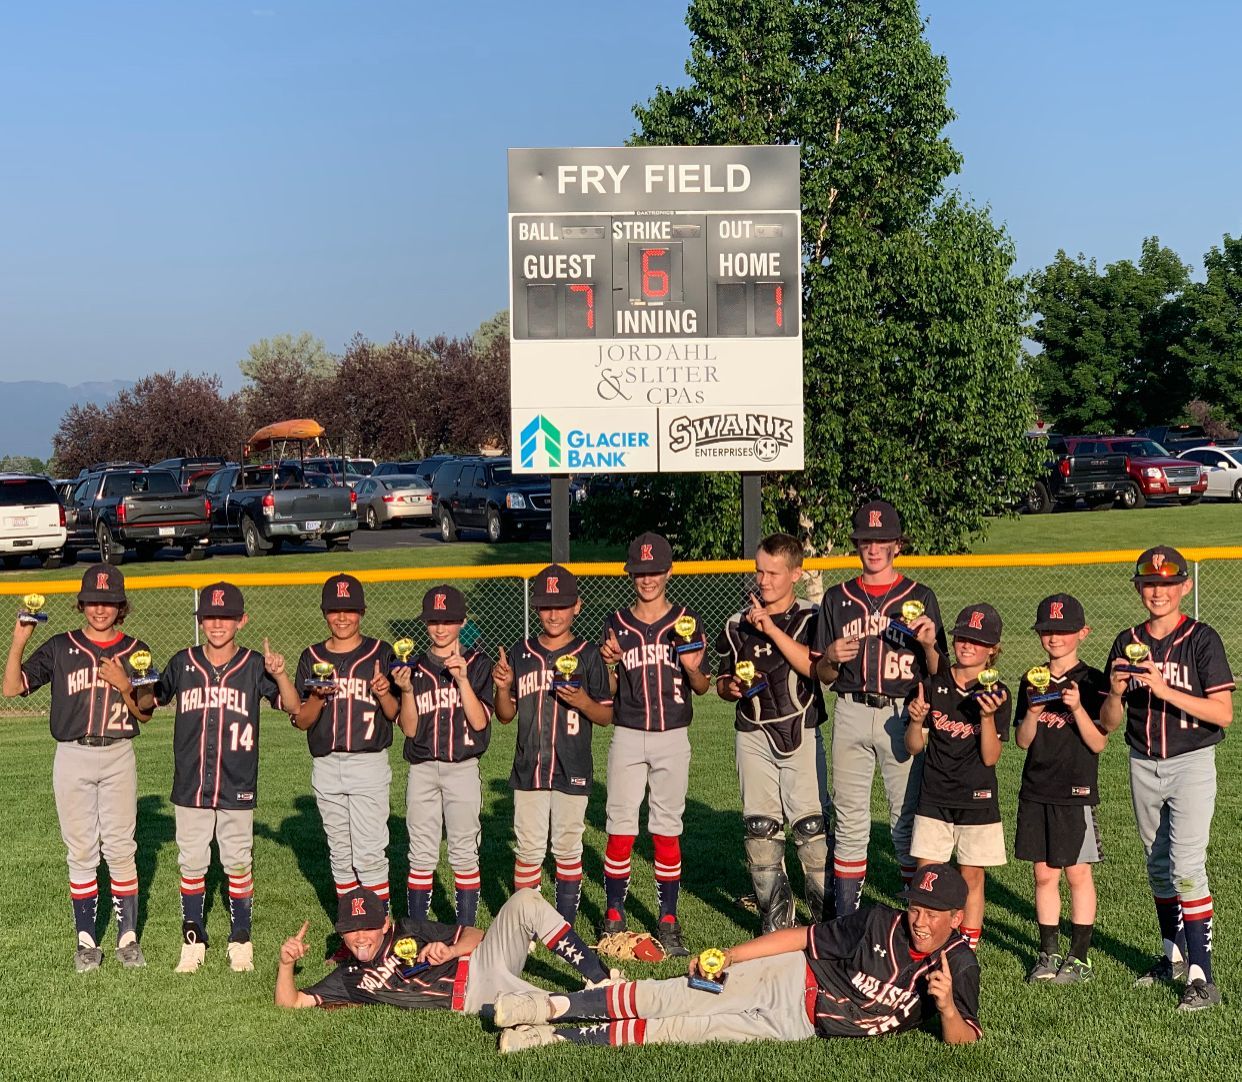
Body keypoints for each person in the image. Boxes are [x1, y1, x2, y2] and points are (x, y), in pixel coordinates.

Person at [492, 862, 980, 1051]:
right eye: (918, 905)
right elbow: (802, 939)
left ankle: (555, 1036)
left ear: (956, 918)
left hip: (799, 1027)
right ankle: (547, 1005)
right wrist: (731, 954)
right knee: (672, 996)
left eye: (935, 913)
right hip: (791, 980)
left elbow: (966, 1041)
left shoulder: (958, 965)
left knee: (684, 1032)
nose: (921, 919)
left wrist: (947, 1008)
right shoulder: (878, 921)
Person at [1100, 546, 1234, 1011]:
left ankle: (1203, 977)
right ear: (1139, 588)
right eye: (1149, 583)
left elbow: (1223, 713)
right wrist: (1116, 692)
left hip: (1192, 761)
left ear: (1184, 587)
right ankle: (1170, 955)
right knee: (1157, 867)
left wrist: (1163, 688)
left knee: (1186, 866)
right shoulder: (1125, 641)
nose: (1158, 591)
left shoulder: (1202, 639)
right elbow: (1109, 720)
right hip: (1142, 761)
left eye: (1167, 583)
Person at [3, 564, 153, 971]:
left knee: (121, 848)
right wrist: (19, 640)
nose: (100, 610)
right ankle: (87, 940)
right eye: (92, 602)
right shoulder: (60, 646)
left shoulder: (136, 648)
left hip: (119, 752)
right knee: (82, 850)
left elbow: (145, 713)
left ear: (120, 606)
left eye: (108, 602)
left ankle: (128, 939)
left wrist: (125, 684)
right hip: (72, 755)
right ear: (81, 603)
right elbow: (12, 687)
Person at [150, 581, 299, 973]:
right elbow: (152, 700)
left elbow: (294, 706)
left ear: (242, 620)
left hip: (236, 780)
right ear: (200, 620)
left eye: (226, 617)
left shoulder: (253, 665)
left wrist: (281, 674)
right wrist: (132, 679)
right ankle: (193, 937)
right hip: (191, 782)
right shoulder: (183, 662)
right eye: (211, 617)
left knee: (237, 860)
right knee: (193, 860)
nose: (218, 625)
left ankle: (241, 937)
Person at [813, 500, 944, 915]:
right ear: (856, 545)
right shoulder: (837, 598)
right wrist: (831, 656)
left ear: (897, 545)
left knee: (905, 820)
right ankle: (847, 919)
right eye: (866, 540)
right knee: (850, 821)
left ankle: (917, 914)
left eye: (882, 540)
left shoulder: (919, 596)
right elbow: (824, 675)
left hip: (902, 714)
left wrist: (927, 644)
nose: (873, 548)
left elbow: (939, 671)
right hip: (850, 710)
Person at [598, 532, 710, 956]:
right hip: (628, 732)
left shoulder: (686, 620)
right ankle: (613, 914)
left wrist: (692, 667)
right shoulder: (617, 622)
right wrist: (609, 665)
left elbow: (700, 685)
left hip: (673, 735)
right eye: (640, 572)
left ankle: (667, 917)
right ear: (632, 574)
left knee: (666, 826)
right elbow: (610, 688)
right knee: (620, 824)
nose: (647, 579)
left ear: (668, 571)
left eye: (655, 571)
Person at [715, 532, 832, 931]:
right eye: (759, 572)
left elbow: (815, 669)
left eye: (772, 573)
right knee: (761, 830)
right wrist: (727, 686)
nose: (763, 581)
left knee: (812, 832)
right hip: (752, 733)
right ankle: (776, 924)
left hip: (801, 727)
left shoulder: (813, 618)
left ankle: (824, 926)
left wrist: (771, 629)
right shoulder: (736, 623)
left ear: (796, 574)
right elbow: (722, 680)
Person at [492, 565, 613, 927]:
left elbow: (605, 716)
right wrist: (502, 687)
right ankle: (525, 925)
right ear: (536, 607)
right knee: (528, 850)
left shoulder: (588, 654)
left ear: (577, 606)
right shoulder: (521, 652)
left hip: (573, 764)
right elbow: (505, 715)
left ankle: (565, 925)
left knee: (567, 846)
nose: (554, 614)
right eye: (546, 606)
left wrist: (581, 701)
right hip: (530, 766)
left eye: (561, 605)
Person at [274, 885, 620, 1011]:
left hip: (482, 962)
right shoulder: (349, 977)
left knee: (526, 900)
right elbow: (289, 1003)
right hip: (473, 996)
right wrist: (286, 963)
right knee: (558, 1006)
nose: (359, 937)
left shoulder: (407, 928)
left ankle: (599, 977)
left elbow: (476, 934)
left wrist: (450, 950)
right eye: (350, 931)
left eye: (367, 927)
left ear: (384, 924)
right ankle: (611, 1002)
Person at [1013, 594, 1110, 984]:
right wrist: (1034, 712)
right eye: (1047, 631)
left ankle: (1080, 958)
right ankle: (1048, 953)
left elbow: (1099, 741)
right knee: (1043, 875)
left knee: (1077, 874)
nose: (1055, 638)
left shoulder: (1093, 681)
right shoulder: (1031, 679)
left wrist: (1077, 707)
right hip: (1037, 787)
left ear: (1082, 633)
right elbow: (1021, 741)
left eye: (1064, 631)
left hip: (1075, 790)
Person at [905, 603, 1010, 951]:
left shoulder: (998, 693)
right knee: (927, 878)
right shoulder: (934, 683)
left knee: (972, 876)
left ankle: (968, 946)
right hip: (934, 794)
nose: (967, 645)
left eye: (978, 641)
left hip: (977, 796)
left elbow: (990, 756)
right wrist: (918, 721)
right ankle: (925, 942)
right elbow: (914, 747)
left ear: (992, 649)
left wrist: (987, 717)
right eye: (962, 637)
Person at [293, 574, 400, 910]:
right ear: (325, 612)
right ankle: (353, 933)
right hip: (326, 764)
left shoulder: (382, 652)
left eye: (350, 610)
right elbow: (302, 721)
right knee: (340, 854)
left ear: (362, 611)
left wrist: (384, 694)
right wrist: (317, 698)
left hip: (368, 762)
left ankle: (379, 931)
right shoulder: (311, 656)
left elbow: (396, 713)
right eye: (335, 610)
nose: (342, 618)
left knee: (369, 853)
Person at [395, 584, 493, 925]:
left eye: (448, 620)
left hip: (463, 767)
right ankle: (418, 930)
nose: (440, 628)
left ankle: (464, 931)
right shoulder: (414, 667)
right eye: (433, 621)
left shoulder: (478, 664)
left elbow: (480, 722)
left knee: (464, 852)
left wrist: (463, 681)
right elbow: (408, 729)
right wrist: (406, 690)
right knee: (421, 854)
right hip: (422, 769)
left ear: (462, 622)